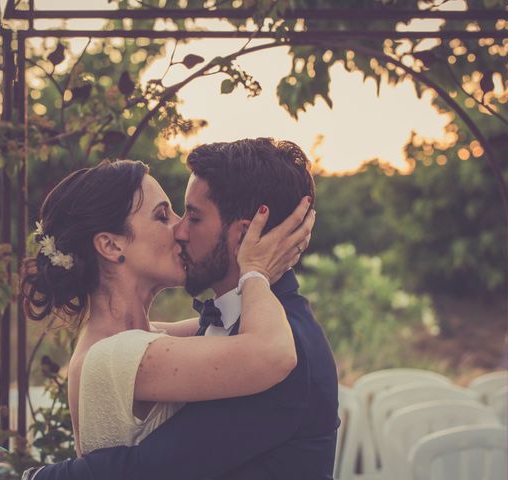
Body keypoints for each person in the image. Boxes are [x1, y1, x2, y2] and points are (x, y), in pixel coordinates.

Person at [25, 138, 339, 480]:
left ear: (243, 234)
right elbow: (147, 469)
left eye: (192, 215)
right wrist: (257, 272)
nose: (179, 229)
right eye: (164, 215)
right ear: (111, 245)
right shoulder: (120, 353)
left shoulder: (157, 335)